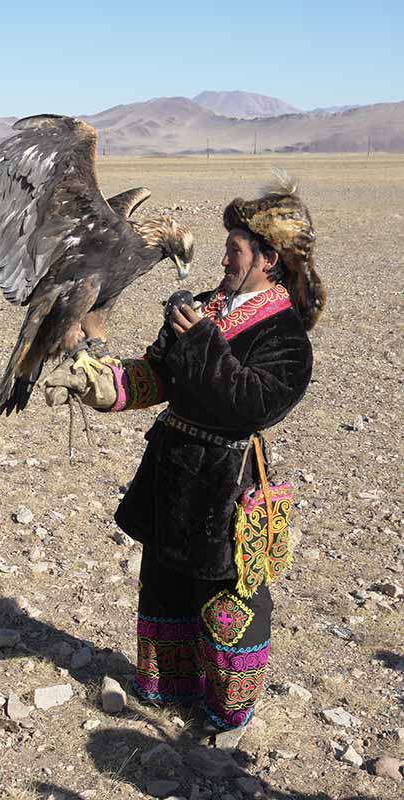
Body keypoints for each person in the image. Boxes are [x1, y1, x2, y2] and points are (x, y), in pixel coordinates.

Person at [45, 175, 326, 738]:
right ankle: (170, 687)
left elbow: (253, 403)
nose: (223, 257)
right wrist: (105, 386)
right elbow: (157, 377)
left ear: (269, 259)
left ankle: (228, 714)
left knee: (227, 599)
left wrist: (201, 341)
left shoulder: (286, 336)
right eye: (227, 246)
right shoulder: (200, 307)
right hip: (172, 468)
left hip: (226, 481)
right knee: (166, 578)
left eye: (235, 249)